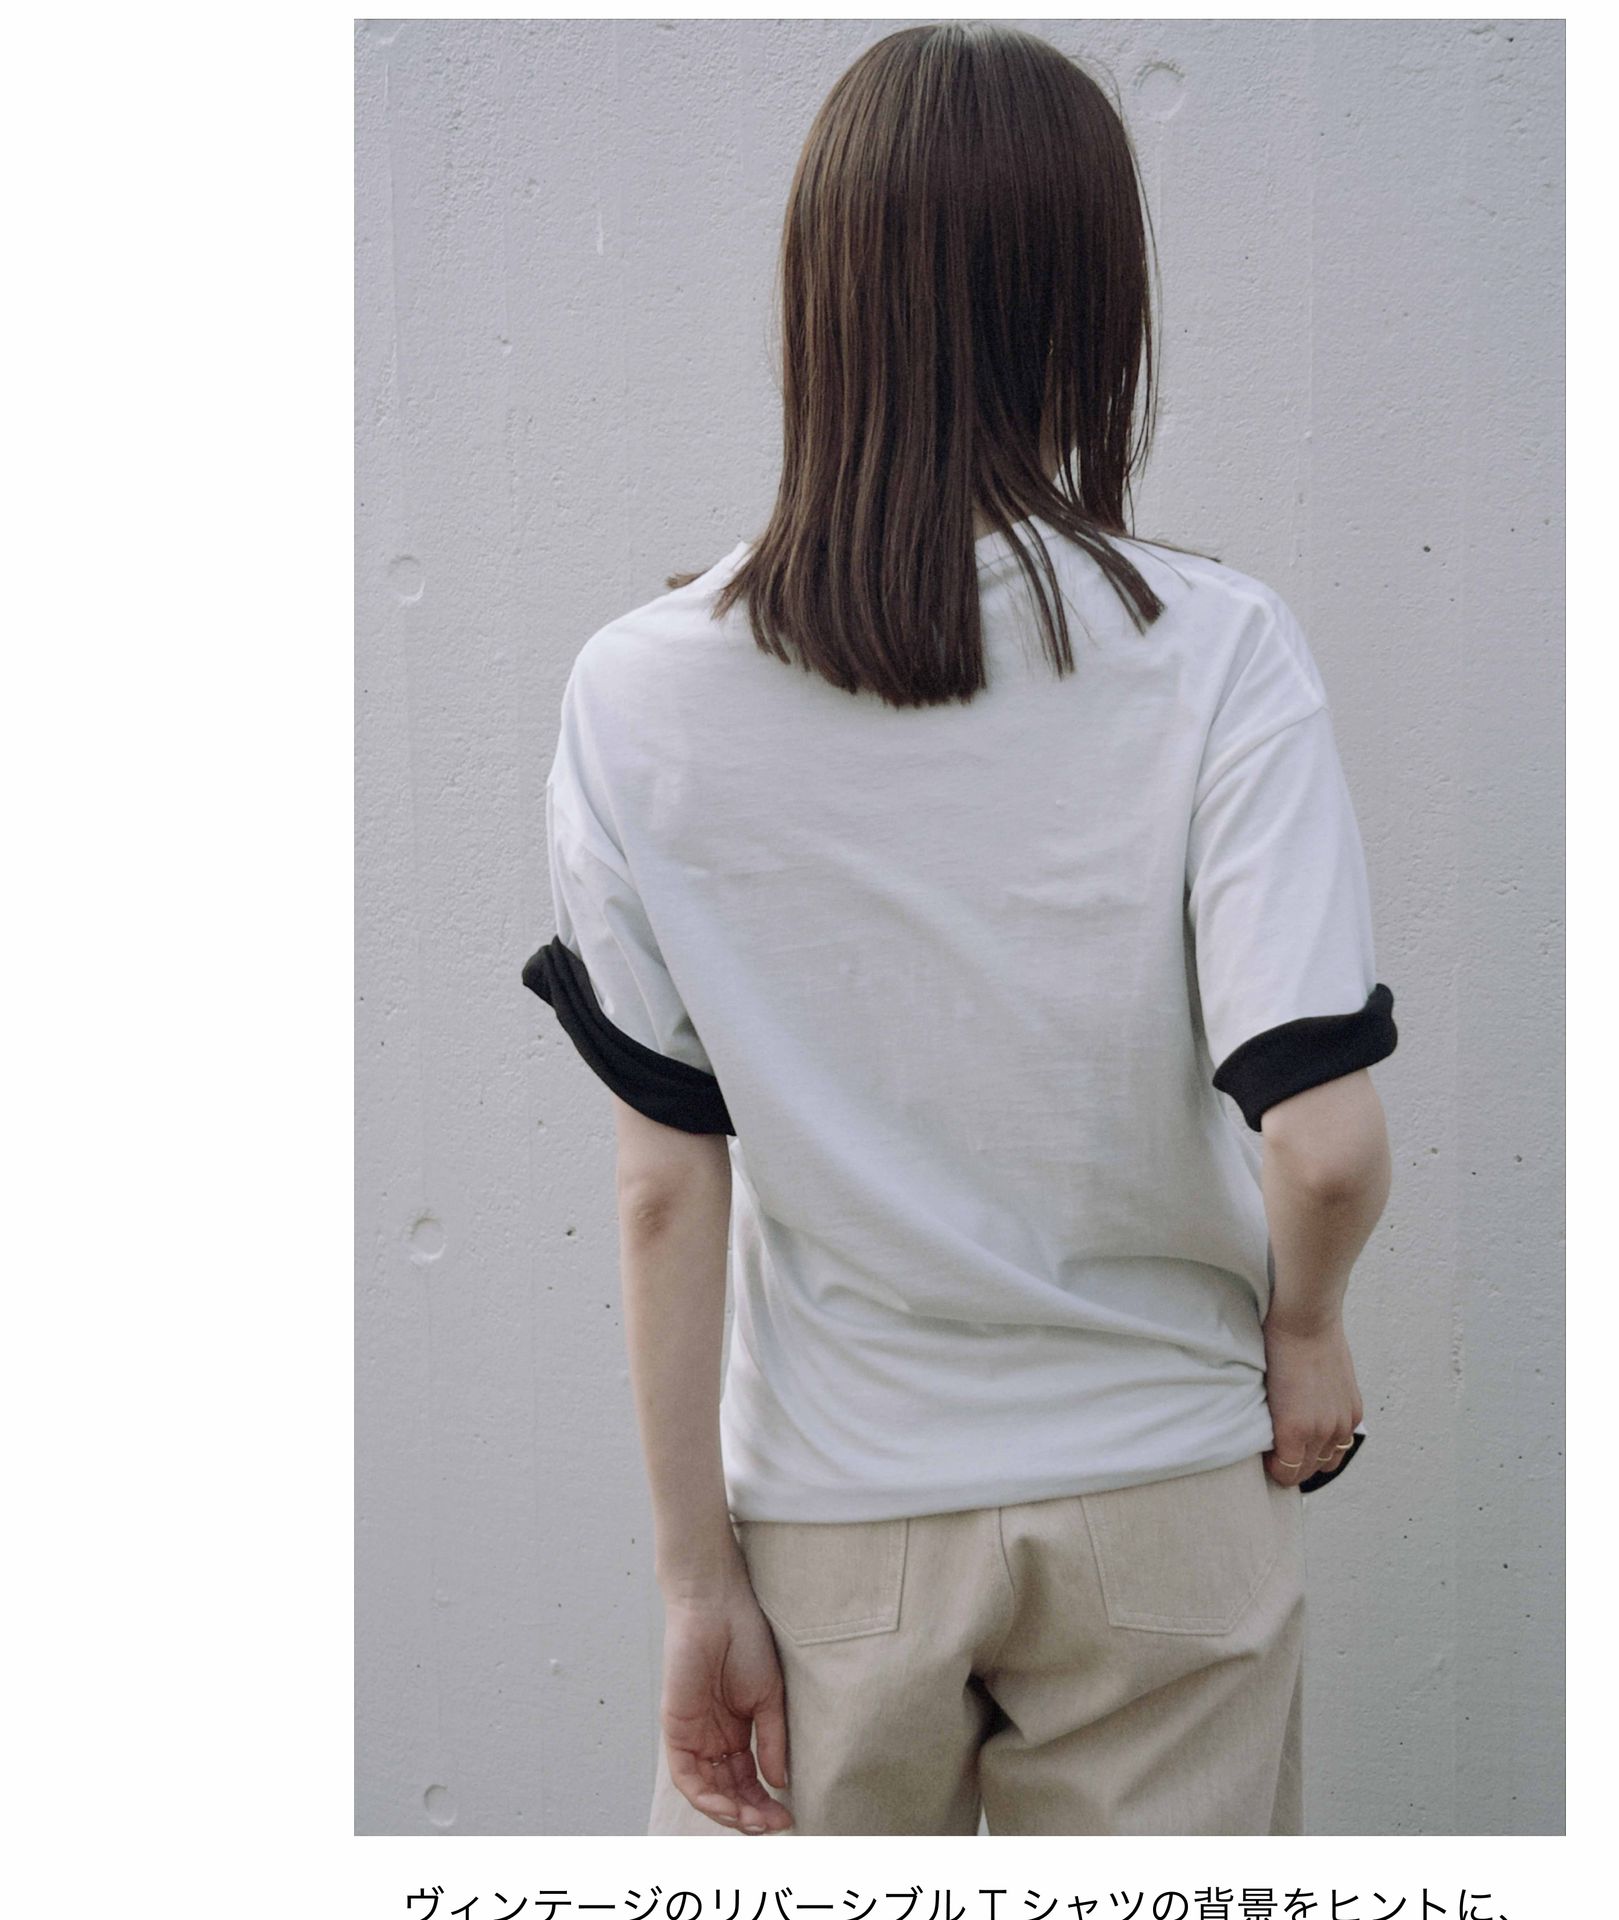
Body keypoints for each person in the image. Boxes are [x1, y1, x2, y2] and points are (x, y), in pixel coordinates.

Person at [521, 21, 1398, 1838]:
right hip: (1168, 1495)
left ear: (820, 298)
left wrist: (697, 1583)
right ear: (1094, 304)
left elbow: (667, 1185)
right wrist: (1308, 1329)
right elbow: (1319, 1143)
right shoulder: (1217, 651)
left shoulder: (637, 692)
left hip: (836, 1529)